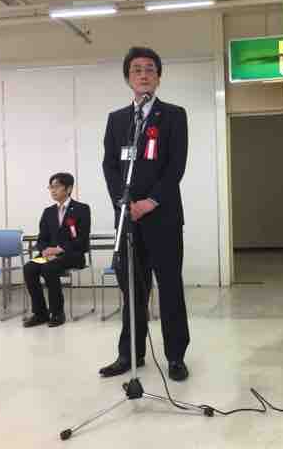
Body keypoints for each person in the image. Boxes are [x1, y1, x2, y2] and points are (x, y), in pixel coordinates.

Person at [100, 46, 190, 381]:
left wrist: (150, 201)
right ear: (128, 78)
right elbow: (110, 165)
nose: (143, 74)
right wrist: (122, 203)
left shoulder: (174, 115)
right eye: (136, 69)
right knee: (133, 291)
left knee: (170, 288)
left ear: (159, 77)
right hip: (128, 221)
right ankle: (129, 354)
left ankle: (176, 357)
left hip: (163, 218)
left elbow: (175, 166)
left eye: (150, 69)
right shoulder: (118, 120)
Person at [22, 173, 90, 328]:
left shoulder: (82, 209)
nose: (53, 190)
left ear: (69, 189)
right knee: (29, 268)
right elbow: (42, 239)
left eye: (57, 187)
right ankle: (40, 313)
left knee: (49, 268)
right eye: (51, 187)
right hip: (49, 255)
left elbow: (81, 239)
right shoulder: (48, 212)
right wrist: (45, 250)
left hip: (72, 255)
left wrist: (58, 250)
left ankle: (57, 313)